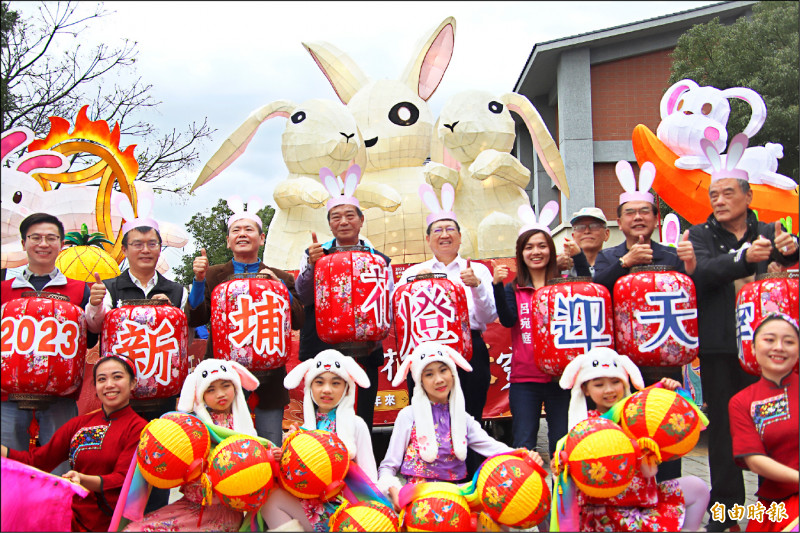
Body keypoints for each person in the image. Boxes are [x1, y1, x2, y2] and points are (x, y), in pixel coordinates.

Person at [688, 175, 798, 531]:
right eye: (713, 195)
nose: (718, 201)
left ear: (748, 196)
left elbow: (791, 269)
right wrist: (742, 259)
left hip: (772, 352)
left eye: (727, 193)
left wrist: (792, 249)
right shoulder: (700, 235)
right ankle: (728, 512)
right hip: (721, 347)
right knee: (723, 430)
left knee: (778, 426)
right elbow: (700, 274)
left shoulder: (770, 228)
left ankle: (778, 506)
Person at [592, 162, 697, 482]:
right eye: (630, 212)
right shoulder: (609, 258)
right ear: (620, 221)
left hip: (665, 368)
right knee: (629, 435)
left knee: (668, 430)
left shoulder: (673, 256)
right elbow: (598, 293)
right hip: (625, 368)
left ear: (656, 218)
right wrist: (626, 263)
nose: (638, 217)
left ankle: (670, 498)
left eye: (645, 211)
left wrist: (692, 268)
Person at [84, 212, 187, 513]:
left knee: (161, 464)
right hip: (120, 399)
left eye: (151, 244)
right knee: (120, 467)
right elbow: (93, 327)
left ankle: (156, 520)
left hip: (163, 398)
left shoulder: (175, 291)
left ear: (159, 249)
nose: (145, 250)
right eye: (137, 244)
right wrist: (94, 304)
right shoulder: (110, 288)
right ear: (125, 249)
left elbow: (183, 336)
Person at [396, 184, 497, 476]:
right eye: (437, 230)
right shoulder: (413, 274)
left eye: (450, 229)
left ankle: (474, 481)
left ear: (460, 237)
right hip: (425, 358)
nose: (444, 235)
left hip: (467, 352)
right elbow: (403, 318)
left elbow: (489, 316)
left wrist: (476, 288)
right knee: (424, 416)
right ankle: (426, 477)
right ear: (428, 239)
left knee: (469, 416)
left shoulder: (477, 270)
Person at [186, 196, 303, 446]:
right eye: (235, 230)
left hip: (270, 376)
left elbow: (298, 320)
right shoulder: (213, 274)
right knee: (224, 444)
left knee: (269, 443)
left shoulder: (280, 276)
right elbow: (196, 317)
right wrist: (198, 280)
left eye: (249, 229)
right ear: (228, 242)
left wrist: (279, 286)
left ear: (261, 239)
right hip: (222, 376)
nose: (242, 234)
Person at [556, 347, 710, 532]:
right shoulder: (584, 427)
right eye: (599, 384)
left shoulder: (641, 418)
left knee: (698, 487)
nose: (609, 390)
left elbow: (653, 467)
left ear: (625, 383)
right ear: (585, 390)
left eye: (615, 382)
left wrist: (672, 394)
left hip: (644, 502)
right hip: (605, 513)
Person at [377, 342, 544, 511]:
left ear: (453, 373)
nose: (439, 379)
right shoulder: (408, 416)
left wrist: (524, 455)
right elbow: (388, 466)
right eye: (429, 374)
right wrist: (394, 491)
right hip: (419, 505)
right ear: (420, 380)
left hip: (456, 502)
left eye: (443, 370)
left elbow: (493, 448)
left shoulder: (463, 418)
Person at [2, 354, 147, 532]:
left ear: (132, 383)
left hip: (111, 521)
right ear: (95, 387)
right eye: (102, 379)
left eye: (117, 377)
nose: (109, 385)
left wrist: (84, 480)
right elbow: (38, 461)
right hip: (70, 517)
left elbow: (124, 480)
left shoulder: (140, 428)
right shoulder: (79, 424)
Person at [491, 202, 589, 461]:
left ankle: (563, 499)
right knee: (523, 447)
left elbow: (590, 292)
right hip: (525, 379)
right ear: (521, 253)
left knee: (564, 446)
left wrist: (579, 258)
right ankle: (525, 498)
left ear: (551, 250)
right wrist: (498, 287)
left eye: (542, 246)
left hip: (562, 379)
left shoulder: (565, 286)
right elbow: (508, 320)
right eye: (529, 247)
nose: (536, 252)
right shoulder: (515, 288)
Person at [296, 168, 391, 433]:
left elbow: (387, 304)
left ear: (361, 221)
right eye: (336, 217)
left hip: (366, 350)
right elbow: (303, 297)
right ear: (329, 224)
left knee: (362, 417)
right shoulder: (315, 254)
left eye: (350, 215)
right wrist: (312, 267)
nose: (344, 222)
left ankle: (362, 466)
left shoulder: (379, 260)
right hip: (322, 348)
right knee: (323, 416)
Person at [0, 212, 94, 476]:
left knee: (61, 466)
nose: (43, 244)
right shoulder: (3, 289)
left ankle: (59, 516)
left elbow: (91, 337)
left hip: (60, 398)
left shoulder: (80, 290)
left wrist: (96, 306)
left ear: (61, 244)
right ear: (23, 243)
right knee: (8, 469)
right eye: (35, 238)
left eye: (51, 238)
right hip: (6, 398)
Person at [123, 359, 262, 532]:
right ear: (200, 394)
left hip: (224, 513)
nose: (220, 394)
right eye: (211, 389)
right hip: (192, 506)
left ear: (235, 386)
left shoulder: (243, 427)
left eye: (225, 385)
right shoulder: (192, 428)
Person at [260, 349, 379, 532]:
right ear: (310, 387)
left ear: (347, 387)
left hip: (345, 509)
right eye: (319, 382)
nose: (326, 390)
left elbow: (369, 477)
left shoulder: (356, 425)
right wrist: (282, 456)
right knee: (269, 500)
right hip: (311, 505)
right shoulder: (303, 430)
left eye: (335, 383)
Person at [729, 313, 798, 532]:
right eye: (769, 339)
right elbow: (755, 460)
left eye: (789, 341)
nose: (779, 347)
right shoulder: (742, 402)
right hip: (775, 504)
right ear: (752, 348)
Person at [556, 207, 611, 276]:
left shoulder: (615, 263)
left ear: (606, 234)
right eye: (580, 227)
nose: (587, 231)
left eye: (594, 226)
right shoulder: (564, 266)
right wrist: (555, 268)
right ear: (573, 236)